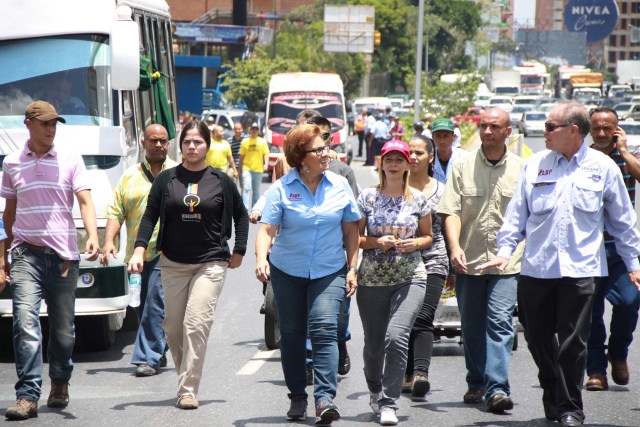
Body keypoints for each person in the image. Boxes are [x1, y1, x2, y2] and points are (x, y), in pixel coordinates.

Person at [478, 101, 640, 427]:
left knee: (572, 343)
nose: (544, 131)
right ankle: (553, 391)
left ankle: (570, 409)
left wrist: (633, 263)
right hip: (537, 267)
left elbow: (623, 221)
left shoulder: (602, 167)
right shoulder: (535, 165)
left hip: (581, 270)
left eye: (551, 126)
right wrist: (505, 249)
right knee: (536, 338)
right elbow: (517, 215)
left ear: (573, 130)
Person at [128, 120, 248, 410]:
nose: (192, 147)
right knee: (173, 327)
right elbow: (149, 217)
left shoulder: (220, 180)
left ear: (208, 145)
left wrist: (239, 250)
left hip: (210, 262)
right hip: (172, 262)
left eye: (198, 142)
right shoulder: (166, 179)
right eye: (187, 142)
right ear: (179, 146)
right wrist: (138, 250)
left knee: (196, 324)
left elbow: (241, 217)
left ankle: (188, 388)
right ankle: (187, 375)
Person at [255, 124, 360, 424]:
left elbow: (351, 230)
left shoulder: (340, 186)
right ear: (301, 157)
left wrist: (352, 268)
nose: (326, 153)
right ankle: (298, 396)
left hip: (329, 270)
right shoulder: (282, 189)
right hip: (288, 271)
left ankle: (325, 398)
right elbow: (266, 229)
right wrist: (261, 258)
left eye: (326, 147)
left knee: (325, 330)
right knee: (291, 336)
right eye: (318, 149)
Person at [2, 101, 100, 420]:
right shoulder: (12, 163)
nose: (50, 128)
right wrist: (5, 257)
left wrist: (93, 237)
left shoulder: (70, 159)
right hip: (26, 254)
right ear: (28, 124)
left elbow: (85, 201)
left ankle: (59, 381)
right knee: (24, 323)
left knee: (63, 330)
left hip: (63, 258)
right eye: (44, 123)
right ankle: (27, 394)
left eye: (54, 123)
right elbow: (9, 213)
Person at [437, 108, 524, 414]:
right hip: (469, 261)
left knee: (500, 323)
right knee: (471, 328)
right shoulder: (461, 166)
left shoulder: (522, 169)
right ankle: (476, 379)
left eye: (494, 126)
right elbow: (451, 211)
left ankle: (497, 387)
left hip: (506, 264)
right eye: (483, 126)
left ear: (507, 132)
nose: (487, 131)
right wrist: (454, 249)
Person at [357, 140, 432, 426]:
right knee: (374, 344)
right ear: (382, 163)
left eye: (399, 159)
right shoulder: (367, 197)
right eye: (389, 159)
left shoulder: (418, 199)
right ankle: (375, 391)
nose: (394, 164)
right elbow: (356, 239)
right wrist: (378, 242)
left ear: (406, 165)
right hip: (372, 280)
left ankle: (390, 402)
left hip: (410, 277)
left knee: (396, 336)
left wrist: (415, 243)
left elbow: (428, 236)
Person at [101, 124, 178, 377]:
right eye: (153, 140)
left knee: (155, 302)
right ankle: (161, 346)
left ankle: (147, 357)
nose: (158, 145)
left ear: (168, 143)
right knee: (141, 303)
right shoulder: (128, 176)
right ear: (143, 142)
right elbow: (115, 211)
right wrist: (109, 241)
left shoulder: (179, 173)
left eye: (163, 141)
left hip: (167, 253)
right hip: (136, 256)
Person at [585, 107, 640, 391]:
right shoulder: (582, 159)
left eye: (608, 128)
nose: (603, 133)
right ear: (589, 130)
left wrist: (625, 151)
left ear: (617, 129)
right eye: (597, 128)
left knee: (630, 302)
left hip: (621, 250)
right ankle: (595, 369)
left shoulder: (628, 157)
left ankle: (618, 353)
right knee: (590, 312)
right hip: (588, 251)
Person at [404, 135, 448, 401]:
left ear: (431, 157)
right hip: (401, 263)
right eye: (409, 152)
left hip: (434, 259)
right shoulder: (395, 187)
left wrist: (453, 266)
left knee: (423, 315)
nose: (413, 157)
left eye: (419, 152)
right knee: (403, 319)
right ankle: (406, 372)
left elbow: (451, 227)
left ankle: (421, 373)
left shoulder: (442, 190)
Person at [239, 122, 269, 209]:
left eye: (256, 129)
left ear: (258, 130)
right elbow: (242, 156)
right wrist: (240, 169)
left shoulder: (262, 141)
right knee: (247, 188)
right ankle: (245, 208)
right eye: (253, 129)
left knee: (256, 191)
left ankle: (255, 208)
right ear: (250, 130)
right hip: (247, 168)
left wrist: (266, 164)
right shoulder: (245, 141)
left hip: (258, 169)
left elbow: (266, 154)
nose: (254, 130)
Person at [431, 118, 469, 183]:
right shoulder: (427, 159)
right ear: (433, 137)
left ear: (454, 137)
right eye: (438, 136)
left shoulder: (466, 157)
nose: (442, 141)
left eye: (445, 136)